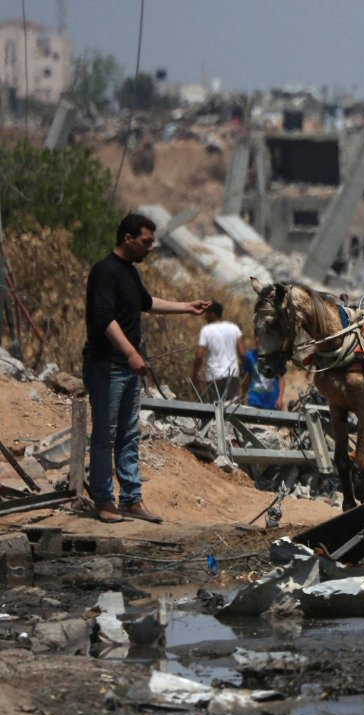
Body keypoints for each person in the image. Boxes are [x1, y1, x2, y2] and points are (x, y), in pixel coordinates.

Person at [83, 213, 210, 524]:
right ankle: (103, 501)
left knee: (128, 434)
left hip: (125, 368)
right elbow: (105, 319)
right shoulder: (104, 272)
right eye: (146, 242)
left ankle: (131, 499)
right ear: (128, 239)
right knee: (105, 434)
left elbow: (146, 302)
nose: (150, 248)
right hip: (107, 366)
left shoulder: (129, 273)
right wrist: (130, 353)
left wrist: (185, 307)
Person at [191, 300, 244, 403]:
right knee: (232, 408)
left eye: (206, 313)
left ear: (213, 314)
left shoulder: (206, 330)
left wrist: (194, 374)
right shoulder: (234, 328)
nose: (204, 316)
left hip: (213, 375)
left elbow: (199, 355)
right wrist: (244, 371)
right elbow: (242, 353)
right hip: (232, 374)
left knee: (215, 410)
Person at [242, 343, 283, 411]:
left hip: (272, 402)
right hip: (254, 401)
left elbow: (281, 379)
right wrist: (244, 395)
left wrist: (280, 398)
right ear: (256, 339)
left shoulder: (277, 357)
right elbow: (247, 379)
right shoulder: (249, 356)